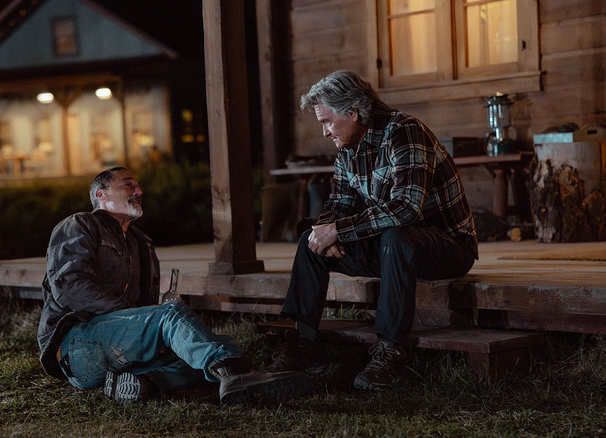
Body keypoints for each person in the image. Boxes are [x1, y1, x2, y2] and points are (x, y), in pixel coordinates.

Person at [267, 71, 478, 391]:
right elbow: (339, 204)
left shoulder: (405, 132)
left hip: (446, 247)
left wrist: (341, 230)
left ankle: (391, 351)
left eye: (327, 121)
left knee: (397, 234)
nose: (324, 132)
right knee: (310, 240)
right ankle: (303, 345)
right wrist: (327, 231)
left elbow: (408, 209)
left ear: (352, 113)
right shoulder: (348, 147)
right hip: (389, 247)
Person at [37, 166, 307, 404]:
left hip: (117, 352)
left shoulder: (141, 242)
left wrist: (148, 317)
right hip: (76, 344)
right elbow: (69, 287)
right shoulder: (80, 224)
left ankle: (142, 383)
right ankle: (238, 375)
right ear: (101, 194)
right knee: (174, 318)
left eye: (139, 185)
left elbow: (144, 309)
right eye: (128, 184)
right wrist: (139, 315)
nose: (139, 190)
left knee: (198, 352)